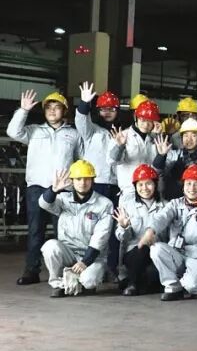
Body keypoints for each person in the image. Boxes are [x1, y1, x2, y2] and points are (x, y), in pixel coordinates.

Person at [7, 89, 81, 285]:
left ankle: (65, 271)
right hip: (37, 188)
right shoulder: (33, 131)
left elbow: (81, 160)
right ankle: (31, 271)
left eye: (57, 107)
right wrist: (23, 110)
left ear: (64, 111)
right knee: (35, 230)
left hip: (64, 190)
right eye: (49, 108)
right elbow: (12, 132)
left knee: (63, 232)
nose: (52, 111)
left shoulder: (73, 134)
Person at [144, 164, 197, 301]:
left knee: (192, 286)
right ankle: (173, 286)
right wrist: (151, 230)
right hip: (178, 252)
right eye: (188, 183)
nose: (192, 188)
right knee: (156, 249)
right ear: (183, 185)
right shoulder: (175, 203)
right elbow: (161, 217)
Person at [39, 160, 114, 297]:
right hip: (68, 252)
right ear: (72, 181)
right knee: (50, 247)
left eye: (87, 179)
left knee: (89, 282)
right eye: (78, 179)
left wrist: (85, 261)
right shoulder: (63, 199)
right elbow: (44, 204)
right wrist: (53, 190)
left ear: (93, 180)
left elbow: (101, 237)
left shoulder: (104, 204)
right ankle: (58, 284)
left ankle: (80, 280)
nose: (83, 183)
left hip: (92, 256)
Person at [74, 83, 122, 273]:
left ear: (118, 111)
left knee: (114, 229)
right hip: (95, 186)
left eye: (111, 109)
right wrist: (84, 103)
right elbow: (81, 121)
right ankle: (87, 265)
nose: (107, 113)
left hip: (116, 186)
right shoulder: (91, 131)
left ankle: (112, 267)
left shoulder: (122, 133)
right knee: (91, 227)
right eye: (103, 109)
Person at [113, 164, 166, 296]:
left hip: (159, 252)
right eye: (140, 184)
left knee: (152, 275)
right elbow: (122, 238)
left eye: (149, 184)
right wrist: (124, 227)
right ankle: (133, 284)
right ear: (135, 186)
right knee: (142, 249)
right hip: (134, 253)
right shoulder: (127, 206)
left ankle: (135, 282)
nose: (145, 188)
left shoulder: (166, 206)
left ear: (155, 184)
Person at [155, 119, 197, 200]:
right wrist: (161, 156)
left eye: (193, 135)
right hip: (174, 202)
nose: (189, 139)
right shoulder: (174, 155)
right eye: (186, 135)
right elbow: (157, 172)